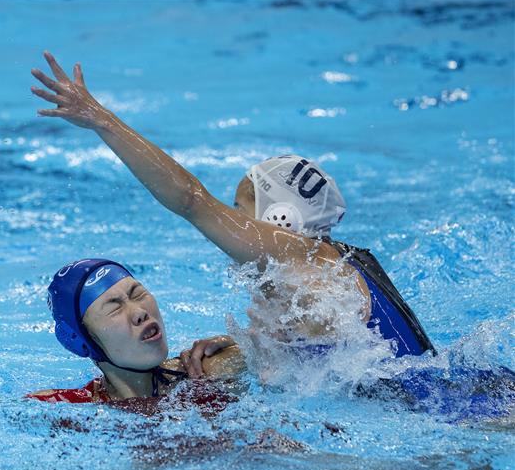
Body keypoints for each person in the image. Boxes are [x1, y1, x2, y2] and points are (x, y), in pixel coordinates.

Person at [30, 51, 434, 362]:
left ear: (280, 221)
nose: (232, 219)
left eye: (240, 208)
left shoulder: (302, 255)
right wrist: (244, 349)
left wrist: (101, 120)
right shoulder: (332, 270)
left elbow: (190, 200)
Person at [26, 258, 246, 411]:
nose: (140, 312)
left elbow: (278, 355)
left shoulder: (206, 371)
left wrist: (248, 346)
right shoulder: (65, 407)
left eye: (138, 294)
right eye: (114, 308)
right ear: (83, 342)